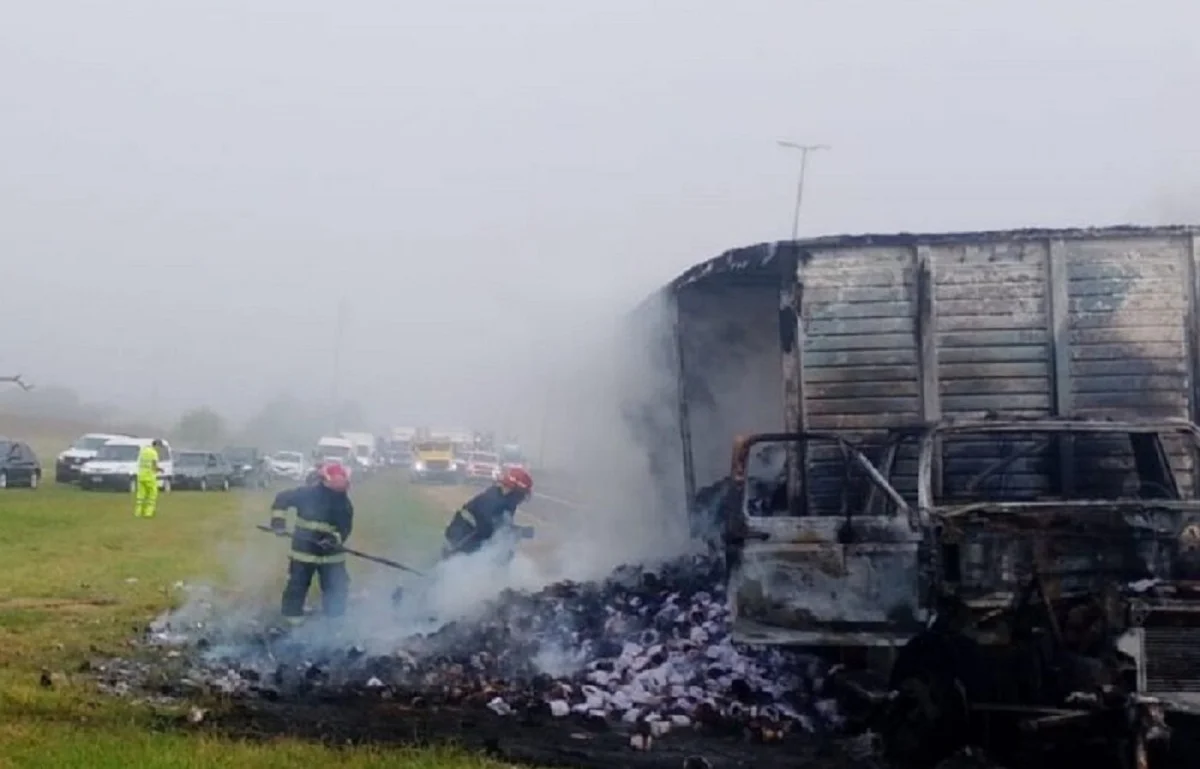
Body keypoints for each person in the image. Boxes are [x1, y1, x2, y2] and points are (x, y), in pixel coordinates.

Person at [268, 462, 354, 626]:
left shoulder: (345, 504)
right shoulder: (306, 494)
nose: (342, 487)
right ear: (325, 480)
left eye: (343, 484)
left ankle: (334, 624)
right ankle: (291, 622)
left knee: (336, 589)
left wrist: (333, 540)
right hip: (303, 554)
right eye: (338, 483)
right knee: (297, 587)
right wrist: (278, 522)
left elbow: (344, 529)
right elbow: (282, 499)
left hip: (331, 557)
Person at [442, 466, 535, 559]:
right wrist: (521, 532)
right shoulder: (494, 501)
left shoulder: (500, 498)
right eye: (521, 494)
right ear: (513, 490)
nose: (521, 499)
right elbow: (496, 529)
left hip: (467, 540)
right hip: (463, 543)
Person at [134, 439, 164, 518]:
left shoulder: (143, 451)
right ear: (156, 445)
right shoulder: (153, 453)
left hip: (141, 476)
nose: (160, 449)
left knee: (140, 496)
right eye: (160, 447)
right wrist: (160, 469)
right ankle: (148, 512)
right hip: (150, 477)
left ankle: (138, 512)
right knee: (152, 495)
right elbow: (154, 467)